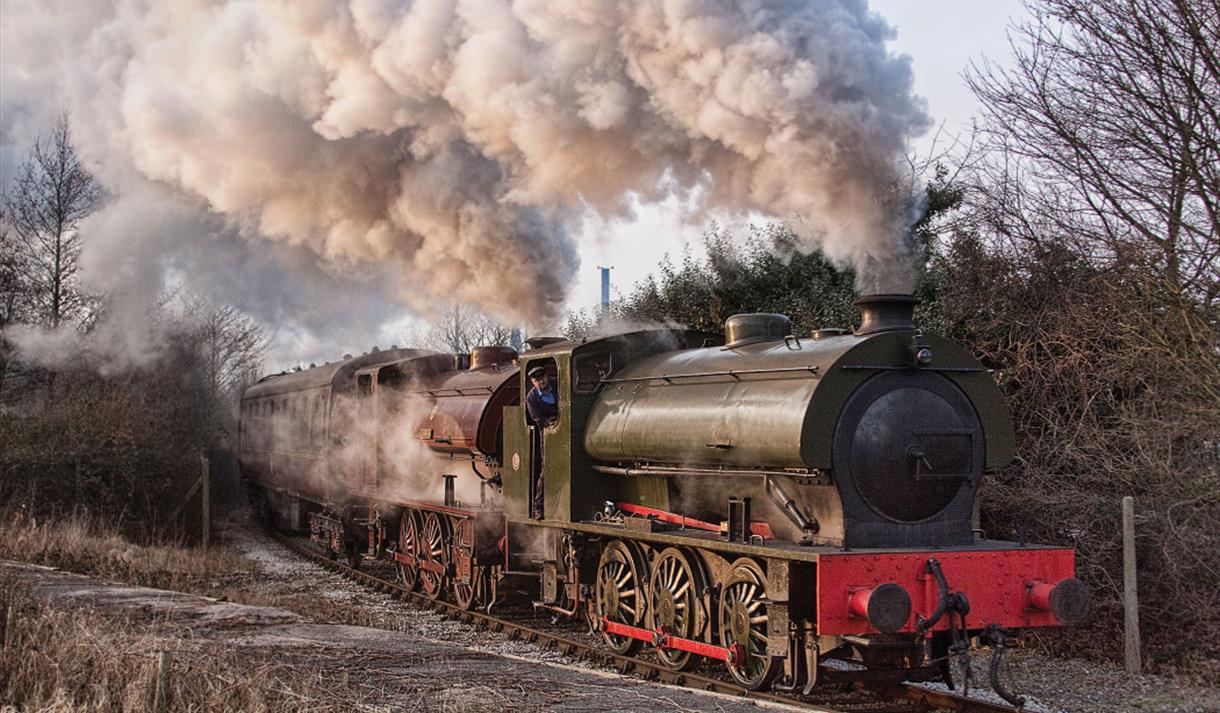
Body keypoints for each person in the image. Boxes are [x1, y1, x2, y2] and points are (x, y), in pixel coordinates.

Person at [524, 366, 558, 519]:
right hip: (547, 434)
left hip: (566, 427)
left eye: (542, 378)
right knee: (546, 469)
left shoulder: (558, 385)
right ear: (533, 382)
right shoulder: (531, 398)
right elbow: (538, 419)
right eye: (537, 380)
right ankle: (539, 507)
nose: (541, 382)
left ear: (547, 376)